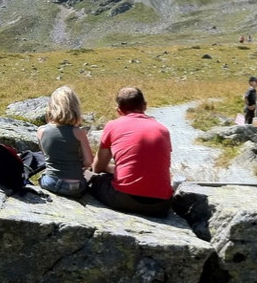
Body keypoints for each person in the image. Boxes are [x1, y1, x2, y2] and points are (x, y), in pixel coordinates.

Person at [89, 86, 173, 216]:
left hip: (124, 198)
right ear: (145, 106)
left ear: (118, 110)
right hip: (161, 205)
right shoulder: (163, 130)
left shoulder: (112, 125)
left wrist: (103, 168)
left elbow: (98, 168)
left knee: (93, 179)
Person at [36, 86, 93, 197]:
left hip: (52, 182)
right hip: (77, 185)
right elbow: (88, 161)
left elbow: (46, 155)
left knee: (42, 177)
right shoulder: (79, 133)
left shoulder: (41, 131)